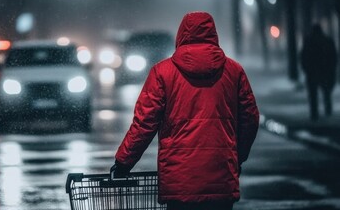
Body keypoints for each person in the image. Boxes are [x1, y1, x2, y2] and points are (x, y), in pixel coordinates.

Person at [111, 12, 259, 210]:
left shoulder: (162, 73)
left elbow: (145, 124)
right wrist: (236, 157)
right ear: (213, 35)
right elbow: (250, 119)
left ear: (181, 35)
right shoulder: (234, 71)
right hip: (221, 177)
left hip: (179, 181)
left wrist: (123, 162)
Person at [300, 24, 338, 121]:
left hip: (312, 72)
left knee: (313, 95)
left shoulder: (308, 41)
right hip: (324, 71)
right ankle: (328, 111)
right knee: (326, 92)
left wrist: (307, 69)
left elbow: (303, 57)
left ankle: (314, 114)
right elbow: (333, 57)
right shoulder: (327, 41)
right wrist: (331, 69)